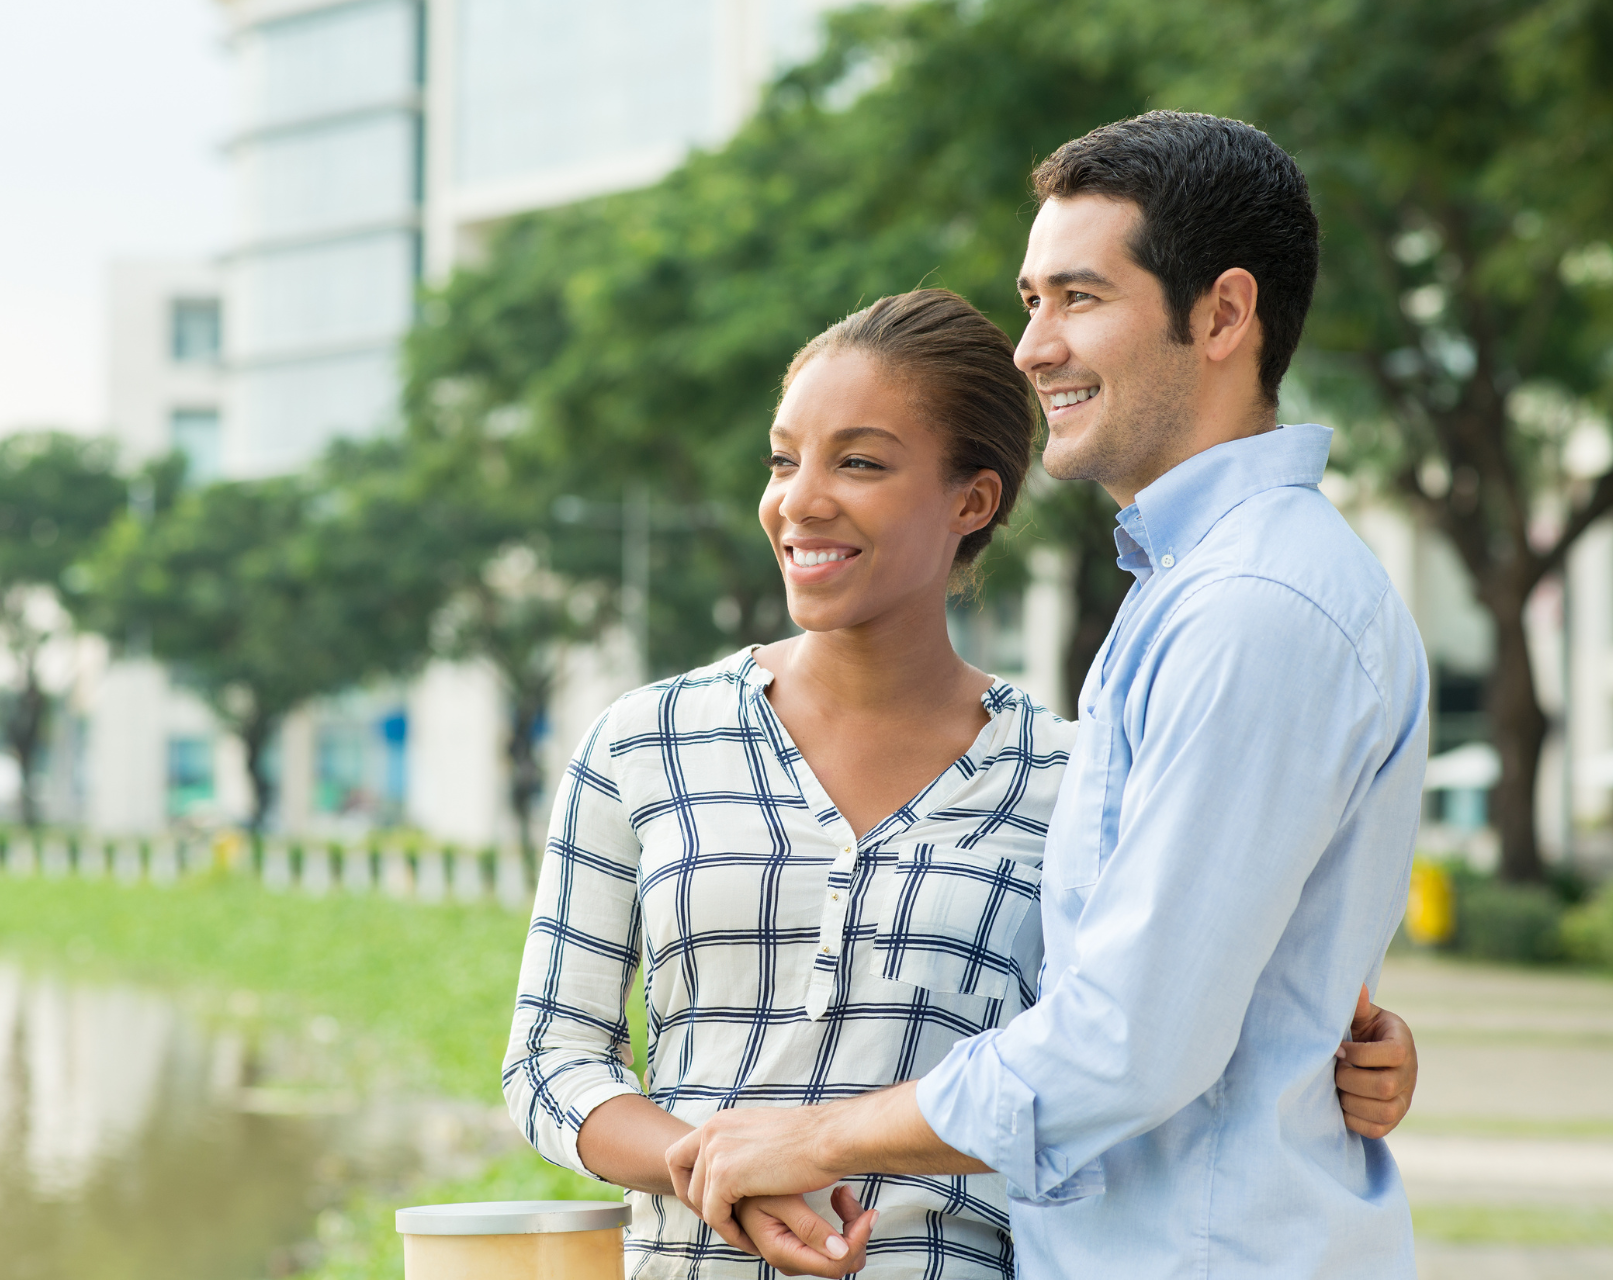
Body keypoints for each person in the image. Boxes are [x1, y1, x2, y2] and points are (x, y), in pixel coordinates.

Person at [505, 295, 1416, 1272]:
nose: (799, 499)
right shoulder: (645, 742)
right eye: (783, 458)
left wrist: (1361, 1055)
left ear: (972, 500)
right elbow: (549, 1057)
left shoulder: (1071, 780)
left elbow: (1155, 1024)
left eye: (858, 461)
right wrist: (707, 1159)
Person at [666, 112, 1429, 1278]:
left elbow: (1129, 1040)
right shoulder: (1189, 591)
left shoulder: (1255, 608)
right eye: (1031, 300)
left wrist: (813, 1134)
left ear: (1223, 314)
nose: (1032, 348)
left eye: (1078, 297)